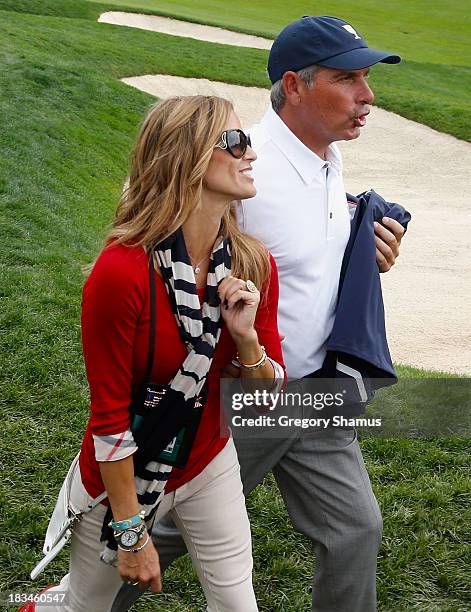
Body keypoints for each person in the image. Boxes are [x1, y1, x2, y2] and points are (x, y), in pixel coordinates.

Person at [115, 16, 407, 612]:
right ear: (295, 87)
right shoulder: (242, 167)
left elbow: (294, 257)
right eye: (348, 78)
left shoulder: (325, 157)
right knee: (167, 528)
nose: (367, 95)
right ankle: (81, 598)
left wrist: (359, 253)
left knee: (356, 529)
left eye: (367, 78)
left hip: (313, 391)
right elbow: (163, 255)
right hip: (241, 393)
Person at [27, 95, 285, 612]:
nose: (250, 153)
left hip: (208, 460)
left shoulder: (254, 264)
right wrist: (130, 532)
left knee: (238, 605)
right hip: (125, 471)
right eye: (234, 142)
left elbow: (265, 402)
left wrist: (245, 338)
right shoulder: (120, 273)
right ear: (186, 157)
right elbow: (110, 421)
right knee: (85, 606)